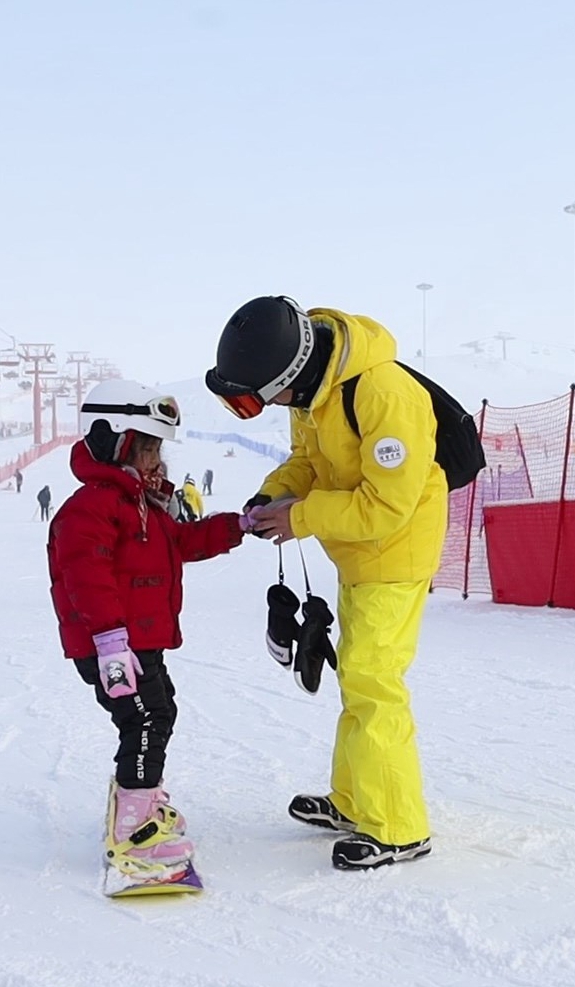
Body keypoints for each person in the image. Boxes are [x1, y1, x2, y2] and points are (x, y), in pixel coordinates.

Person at [205, 295, 447, 871]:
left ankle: (399, 826)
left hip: (395, 554)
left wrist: (302, 517)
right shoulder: (312, 392)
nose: (267, 407)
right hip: (358, 553)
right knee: (356, 678)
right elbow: (308, 464)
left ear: (286, 376)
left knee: (373, 682)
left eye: (261, 398)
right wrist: (273, 495)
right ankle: (354, 800)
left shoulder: (385, 395)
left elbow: (387, 505)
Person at [46, 379, 247, 874]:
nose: (158, 461)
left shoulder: (140, 502)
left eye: (159, 449)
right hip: (113, 645)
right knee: (145, 721)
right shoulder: (92, 507)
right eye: (149, 449)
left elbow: (181, 542)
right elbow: (86, 577)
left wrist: (239, 525)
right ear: (115, 443)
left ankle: (139, 801)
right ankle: (133, 834)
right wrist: (111, 642)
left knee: (158, 713)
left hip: (138, 642)